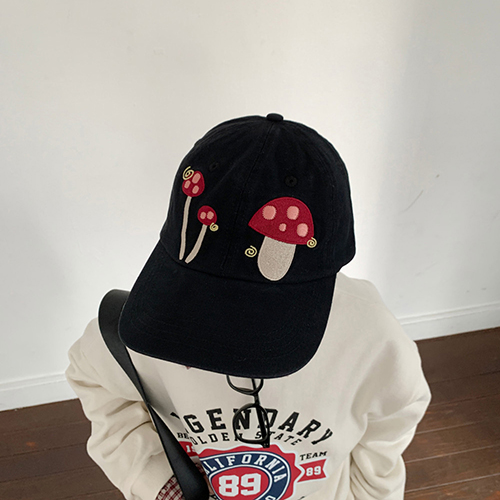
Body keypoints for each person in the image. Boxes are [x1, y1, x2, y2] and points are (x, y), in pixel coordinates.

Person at [65, 113, 432, 500]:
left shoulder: (372, 340)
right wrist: (157, 483)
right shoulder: (141, 324)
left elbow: (395, 416)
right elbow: (94, 377)